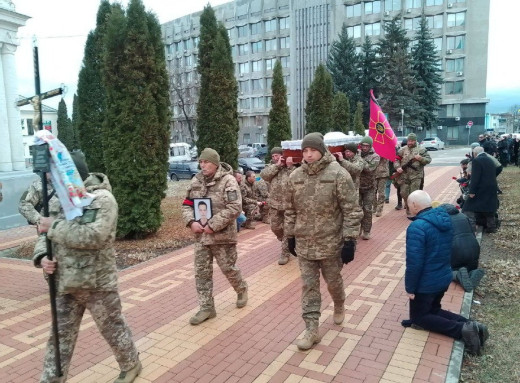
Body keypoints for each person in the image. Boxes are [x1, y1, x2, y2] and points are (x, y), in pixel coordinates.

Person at [33, 151, 141, 383]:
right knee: (59, 338)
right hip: (65, 282)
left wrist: (54, 227)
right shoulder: (58, 200)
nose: (53, 181)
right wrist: (42, 255)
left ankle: (131, 363)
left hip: (97, 283)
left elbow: (94, 236)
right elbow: (44, 232)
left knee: (111, 327)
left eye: (57, 176)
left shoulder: (101, 200)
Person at [285, 132, 362, 351]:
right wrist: (290, 236)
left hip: (331, 244)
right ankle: (311, 329)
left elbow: (352, 210)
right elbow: (290, 210)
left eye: (312, 150)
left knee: (333, 282)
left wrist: (349, 241)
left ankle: (339, 303)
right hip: (304, 244)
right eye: (305, 151)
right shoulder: (295, 176)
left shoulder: (338, 174)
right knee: (309, 287)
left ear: (322, 150)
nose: (308, 155)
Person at [404, 190, 488, 356]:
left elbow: (414, 263)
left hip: (426, 283)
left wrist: (410, 288)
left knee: (420, 317)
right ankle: (472, 324)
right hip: (443, 277)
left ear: (414, 205)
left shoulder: (417, 227)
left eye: (408, 205)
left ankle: (462, 330)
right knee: (433, 310)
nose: (408, 208)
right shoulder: (445, 219)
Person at [182, 148, 248, 325]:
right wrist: (190, 222)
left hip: (222, 237)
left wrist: (213, 225)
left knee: (229, 269)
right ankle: (207, 308)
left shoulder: (228, 181)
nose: (203, 165)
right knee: (201, 273)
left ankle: (241, 288)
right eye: (201, 162)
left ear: (215, 163)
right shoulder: (196, 181)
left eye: (207, 162)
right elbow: (187, 204)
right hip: (201, 238)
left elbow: (235, 207)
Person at [436, 203, 485, 292]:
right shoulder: (463, 216)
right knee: (469, 267)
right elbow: (473, 232)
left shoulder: (442, 220)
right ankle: (472, 273)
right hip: (474, 248)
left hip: (456, 250)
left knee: (444, 271)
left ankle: (457, 275)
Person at [260, 147, 295, 265]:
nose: (275, 158)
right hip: (275, 204)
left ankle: (285, 253)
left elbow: (296, 179)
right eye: (273, 156)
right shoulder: (272, 167)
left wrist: (290, 167)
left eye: (277, 156)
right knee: (275, 227)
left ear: (282, 155)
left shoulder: (291, 167)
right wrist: (277, 165)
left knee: (287, 229)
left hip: (289, 204)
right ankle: (286, 241)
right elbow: (264, 175)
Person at [462, 146, 499, 233]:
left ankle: (471, 228)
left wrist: (472, 191)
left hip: (481, 188)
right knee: (488, 206)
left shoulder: (476, 161)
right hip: (492, 186)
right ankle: (491, 227)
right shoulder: (490, 159)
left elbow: (475, 177)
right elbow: (497, 169)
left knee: (468, 207)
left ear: (475, 153)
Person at [394, 133, 431, 215]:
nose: (409, 142)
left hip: (416, 175)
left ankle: (413, 211)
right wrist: (397, 167)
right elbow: (396, 159)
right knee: (403, 192)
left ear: (415, 141)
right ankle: (408, 206)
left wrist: (420, 158)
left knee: (414, 194)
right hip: (404, 175)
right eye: (408, 141)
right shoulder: (403, 150)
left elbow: (428, 160)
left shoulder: (421, 150)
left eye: (411, 141)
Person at [358, 136, 380, 240]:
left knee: (367, 209)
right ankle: (357, 230)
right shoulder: (357, 153)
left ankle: (366, 231)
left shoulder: (375, 156)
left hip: (369, 187)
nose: (364, 148)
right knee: (356, 209)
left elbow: (369, 169)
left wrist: (359, 160)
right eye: (363, 145)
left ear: (370, 146)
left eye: (367, 146)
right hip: (357, 187)